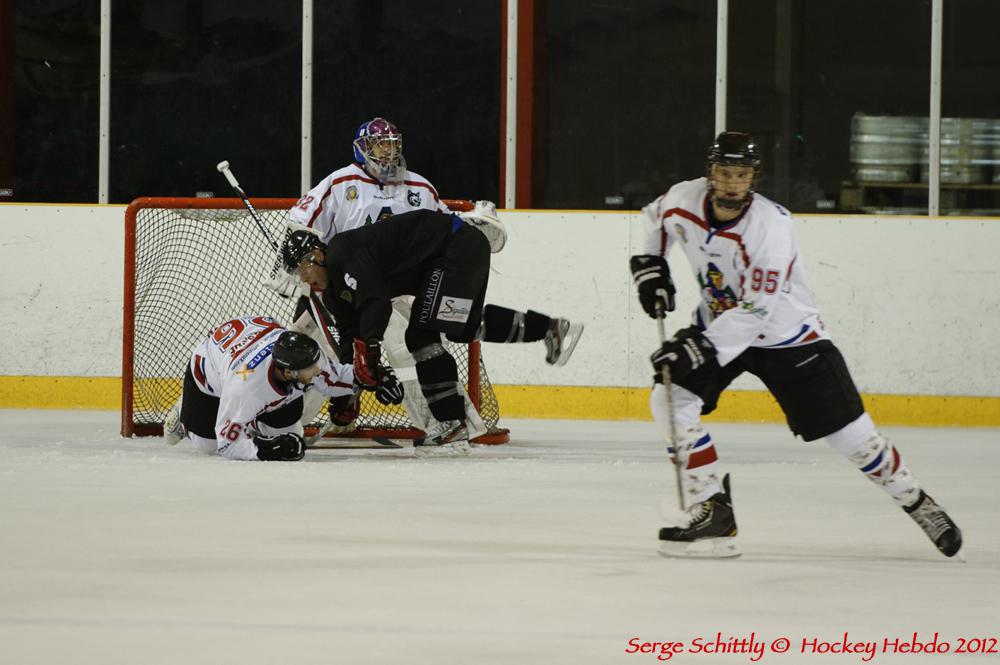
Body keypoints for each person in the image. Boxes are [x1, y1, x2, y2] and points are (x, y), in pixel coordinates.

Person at [631, 131, 962, 558]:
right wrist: (651, 265)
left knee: (854, 439)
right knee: (670, 399)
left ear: (754, 178)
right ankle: (711, 507)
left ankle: (918, 502)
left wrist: (699, 348)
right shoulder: (684, 198)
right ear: (710, 173)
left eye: (742, 174)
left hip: (788, 336)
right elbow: (654, 218)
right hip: (720, 326)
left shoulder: (772, 227)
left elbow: (756, 310)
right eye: (725, 173)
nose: (733, 183)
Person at [282, 202, 584, 454]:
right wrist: (350, 389)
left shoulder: (342, 252)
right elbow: (349, 338)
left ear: (317, 255)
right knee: (461, 327)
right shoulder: (334, 293)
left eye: (302, 269)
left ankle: (452, 423)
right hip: (449, 256)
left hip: (456, 247)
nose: (303, 278)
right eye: (296, 274)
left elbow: (376, 303)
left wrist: (369, 351)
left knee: (422, 334)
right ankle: (551, 328)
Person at [264, 117, 480, 437]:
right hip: (339, 285)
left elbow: (441, 236)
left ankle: (445, 423)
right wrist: (288, 267)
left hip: (400, 289)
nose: (388, 153)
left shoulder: (420, 187)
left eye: (393, 146)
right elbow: (301, 224)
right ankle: (286, 424)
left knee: (409, 349)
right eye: (381, 146)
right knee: (304, 348)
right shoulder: (339, 184)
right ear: (362, 149)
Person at [162, 315, 398, 461]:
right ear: (287, 371)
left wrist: (373, 379)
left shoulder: (305, 358)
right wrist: (265, 450)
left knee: (293, 437)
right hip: (210, 374)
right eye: (310, 369)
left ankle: (253, 421)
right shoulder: (245, 388)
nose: (318, 371)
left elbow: (333, 378)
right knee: (208, 446)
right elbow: (227, 442)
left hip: (249, 341)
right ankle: (185, 412)